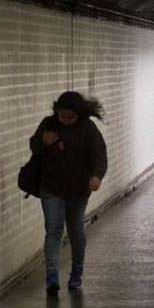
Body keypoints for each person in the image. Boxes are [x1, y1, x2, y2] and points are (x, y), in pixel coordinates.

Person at [28, 91, 108, 296]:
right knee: (53, 230)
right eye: (62, 116)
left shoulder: (87, 129)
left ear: (79, 115)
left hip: (78, 190)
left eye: (70, 117)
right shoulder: (49, 124)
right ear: (57, 112)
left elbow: (99, 154)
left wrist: (96, 176)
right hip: (51, 187)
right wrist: (42, 141)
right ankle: (52, 277)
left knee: (75, 231)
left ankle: (76, 273)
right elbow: (34, 145)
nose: (65, 120)